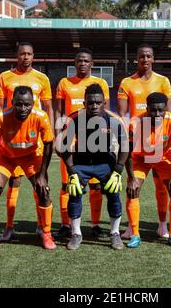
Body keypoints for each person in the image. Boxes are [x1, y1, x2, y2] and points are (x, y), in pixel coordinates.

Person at [0, 86, 55, 251]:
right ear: (12, 102)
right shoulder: (2, 117)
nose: (23, 109)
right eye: (19, 104)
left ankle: (47, 234)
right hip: (6, 158)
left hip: (31, 157)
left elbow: (49, 144)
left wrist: (42, 175)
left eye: (27, 104)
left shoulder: (41, 116)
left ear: (33, 103)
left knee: (43, 190)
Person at [57, 83, 129, 250]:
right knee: (74, 194)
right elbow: (61, 146)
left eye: (98, 102)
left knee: (113, 195)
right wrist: (71, 170)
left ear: (104, 103)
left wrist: (118, 170)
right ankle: (76, 233)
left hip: (106, 163)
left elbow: (125, 145)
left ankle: (115, 233)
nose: (94, 106)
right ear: (84, 103)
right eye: (90, 103)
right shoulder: (74, 118)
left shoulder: (113, 120)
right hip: (81, 164)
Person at [0, 42, 54, 242]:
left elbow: (48, 108)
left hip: (34, 139)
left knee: (40, 185)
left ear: (33, 56)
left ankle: (41, 227)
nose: (25, 57)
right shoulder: (5, 77)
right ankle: (9, 227)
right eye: (22, 54)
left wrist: (51, 132)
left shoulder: (42, 78)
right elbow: (0, 107)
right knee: (13, 181)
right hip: (12, 138)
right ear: (16, 55)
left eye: (29, 54)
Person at [117, 44, 171, 240]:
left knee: (162, 187)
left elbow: (170, 112)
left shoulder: (163, 81)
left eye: (149, 56)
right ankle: (132, 228)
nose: (145, 59)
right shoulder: (127, 82)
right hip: (138, 145)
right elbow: (123, 114)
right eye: (142, 56)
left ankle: (162, 225)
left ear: (153, 58)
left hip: (159, 145)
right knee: (133, 187)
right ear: (137, 59)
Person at [55, 48, 110, 239]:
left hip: (94, 142)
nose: (83, 64)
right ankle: (65, 224)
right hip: (72, 141)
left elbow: (106, 113)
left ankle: (95, 224)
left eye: (86, 61)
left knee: (96, 186)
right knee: (67, 184)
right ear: (75, 63)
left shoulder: (100, 83)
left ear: (92, 63)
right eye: (79, 61)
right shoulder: (64, 83)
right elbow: (60, 112)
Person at [125, 92, 171, 248]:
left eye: (161, 110)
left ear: (166, 108)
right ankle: (135, 234)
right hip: (141, 159)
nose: (157, 114)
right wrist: (132, 178)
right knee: (133, 190)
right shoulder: (136, 123)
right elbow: (127, 153)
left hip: (164, 158)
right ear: (147, 108)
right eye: (153, 110)